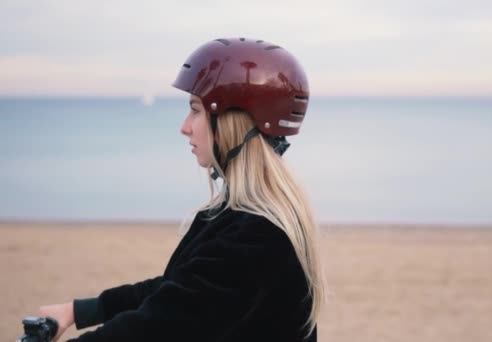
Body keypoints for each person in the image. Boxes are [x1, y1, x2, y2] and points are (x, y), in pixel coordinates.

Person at [35, 37, 326, 341]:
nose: (185, 126)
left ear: (233, 122)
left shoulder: (259, 236)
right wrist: (78, 311)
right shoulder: (244, 214)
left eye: (196, 110)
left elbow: (159, 326)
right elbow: (178, 288)